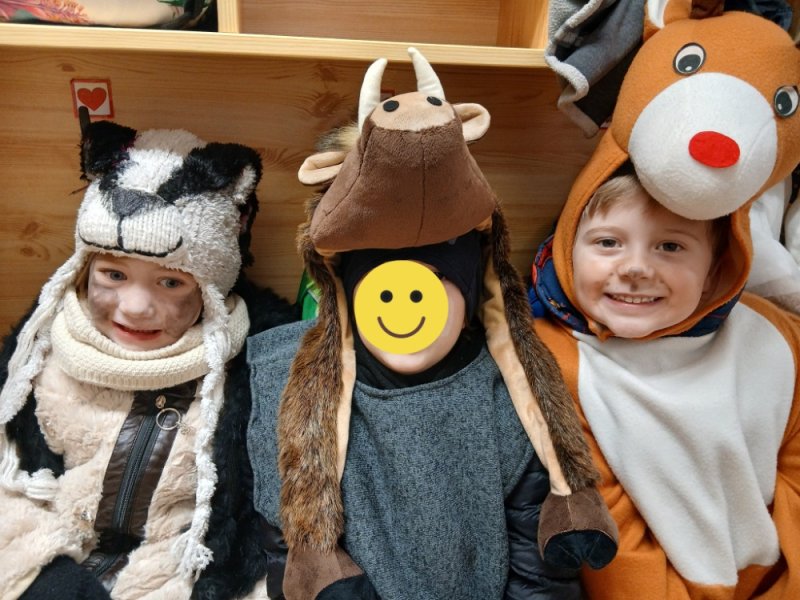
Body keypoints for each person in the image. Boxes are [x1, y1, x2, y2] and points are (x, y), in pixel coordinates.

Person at [247, 48, 618, 600]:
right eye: (382, 280)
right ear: (346, 289)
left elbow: (538, 570)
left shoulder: (511, 396)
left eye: (437, 278)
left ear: (474, 290)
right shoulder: (285, 385)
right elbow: (291, 554)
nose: (406, 305)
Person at [0, 119, 298, 599]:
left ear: (210, 289)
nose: (136, 307)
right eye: (114, 275)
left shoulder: (256, 365)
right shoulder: (39, 347)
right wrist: (47, 577)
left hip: (176, 575)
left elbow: (269, 517)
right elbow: (8, 475)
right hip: (53, 559)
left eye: (170, 282)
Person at [530, 165, 800, 599]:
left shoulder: (775, 338)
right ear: (567, 251)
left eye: (670, 246)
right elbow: (613, 537)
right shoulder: (554, 360)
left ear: (713, 271)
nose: (636, 267)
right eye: (608, 242)